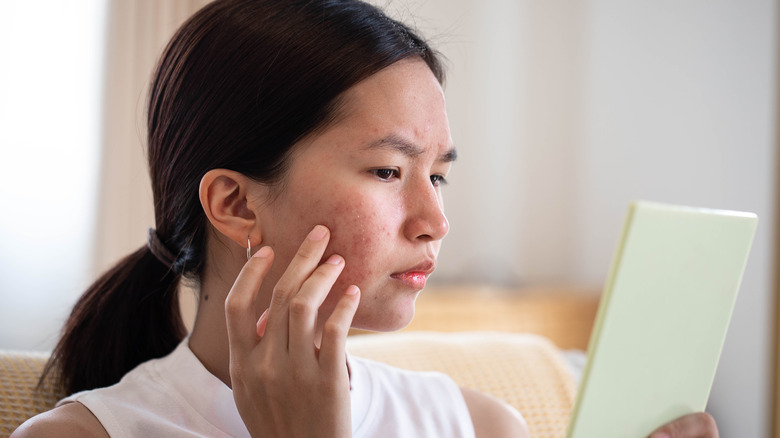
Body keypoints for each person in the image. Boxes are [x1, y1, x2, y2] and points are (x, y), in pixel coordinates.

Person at [13, 1, 719, 437]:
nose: (435, 220)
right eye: (388, 171)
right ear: (235, 203)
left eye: (437, 174)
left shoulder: (479, 426)